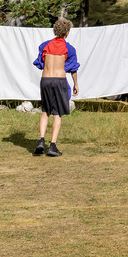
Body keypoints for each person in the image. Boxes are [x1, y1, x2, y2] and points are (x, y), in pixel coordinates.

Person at [33, 18, 80, 157]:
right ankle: (52, 145)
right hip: (59, 80)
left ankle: (41, 140)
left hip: (45, 80)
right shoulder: (69, 49)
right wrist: (76, 84)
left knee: (45, 111)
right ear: (67, 32)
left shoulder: (44, 46)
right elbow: (73, 68)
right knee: (57, 113)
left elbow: (41, 63)